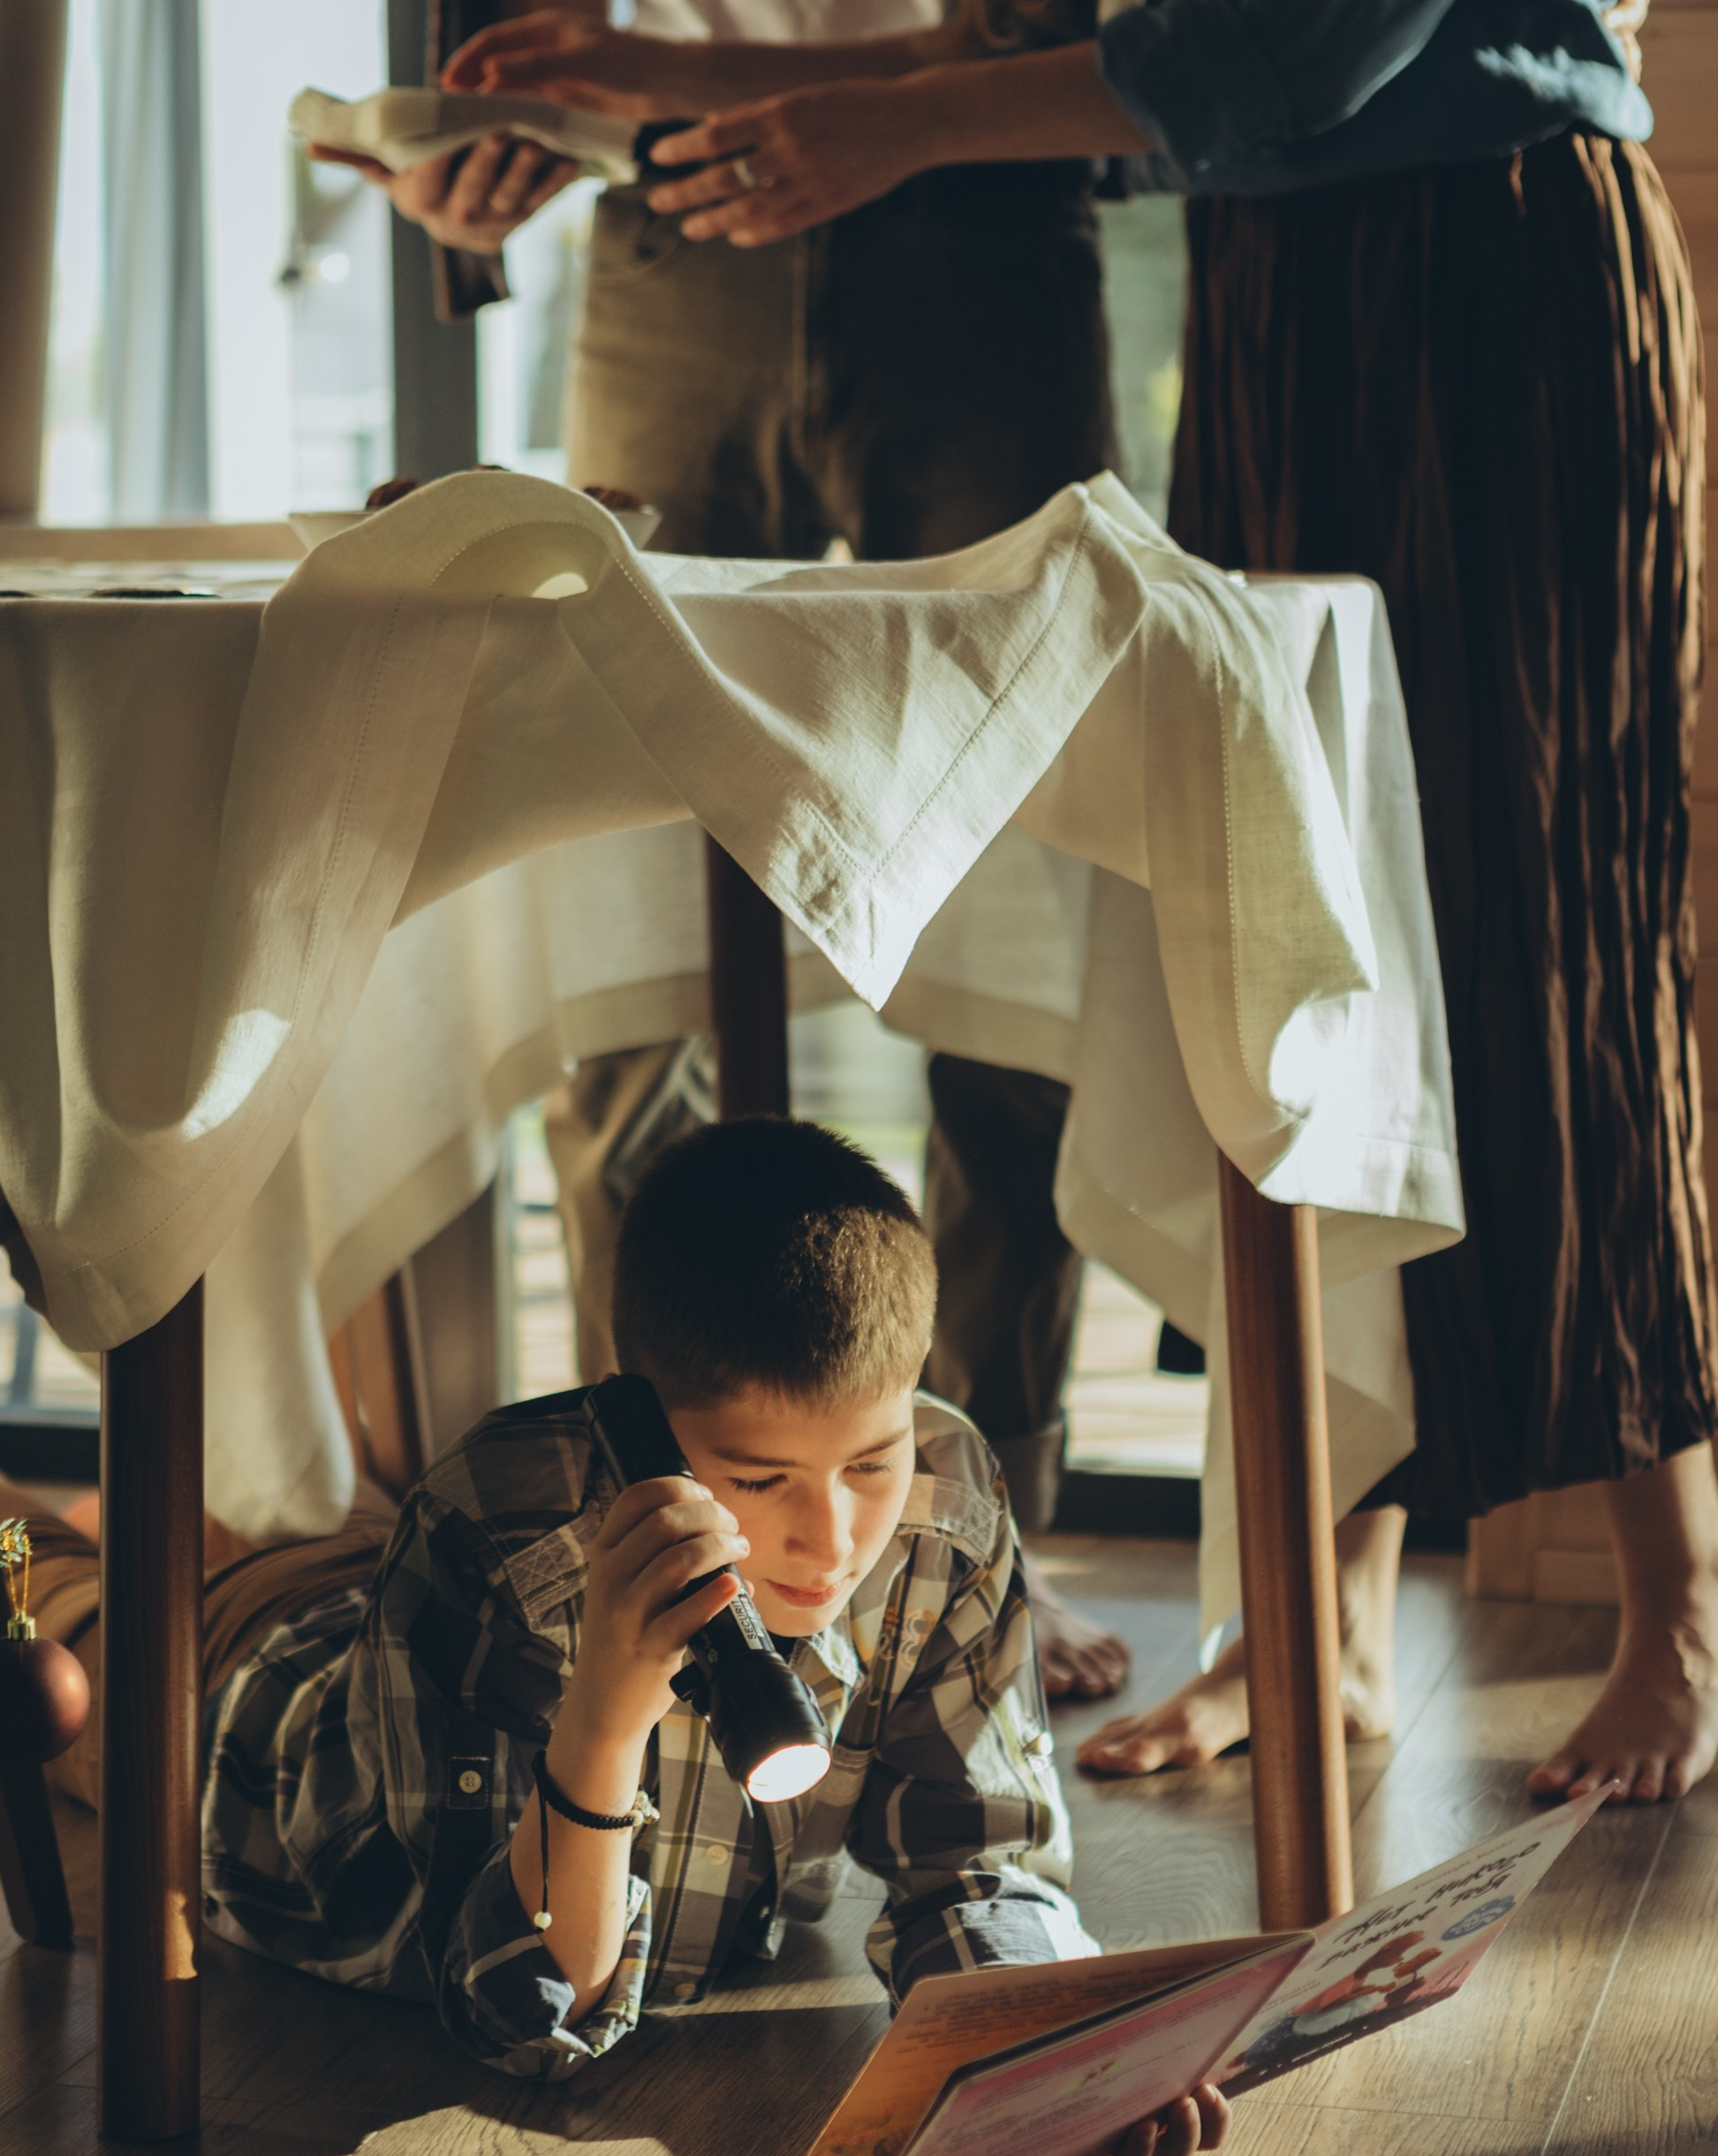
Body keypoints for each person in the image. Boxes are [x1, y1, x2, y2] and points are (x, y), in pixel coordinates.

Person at [552, 0, 1718, 1810]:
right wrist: (672, 86)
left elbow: (1294, 58)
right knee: (1285, 928)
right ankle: (1307, 1624)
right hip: (1278, 287)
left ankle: (1683, 1605)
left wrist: (897, 130)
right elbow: (1084, 66)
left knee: (1553, 948)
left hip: (1496, 275)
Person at [320, 0, 1132, 1703]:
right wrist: (476, 161)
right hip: (665, 245)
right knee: (611, 915)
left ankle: (985, 1548)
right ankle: (659, 1547)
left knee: (1017, 918)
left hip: (976, 227)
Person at [14, 1120, 1224, 2156]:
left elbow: (974, 1861)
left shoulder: (946, 1501)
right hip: (246, 1724)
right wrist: (602, 1716)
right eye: (757, 1479)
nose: (833, 1537)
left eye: (872, 1460)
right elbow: (523, 2013)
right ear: (635, 1419)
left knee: (256, 1532)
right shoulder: (493, 1539)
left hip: (373, 1592)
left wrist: (1064, 2058)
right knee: (32, 1634)